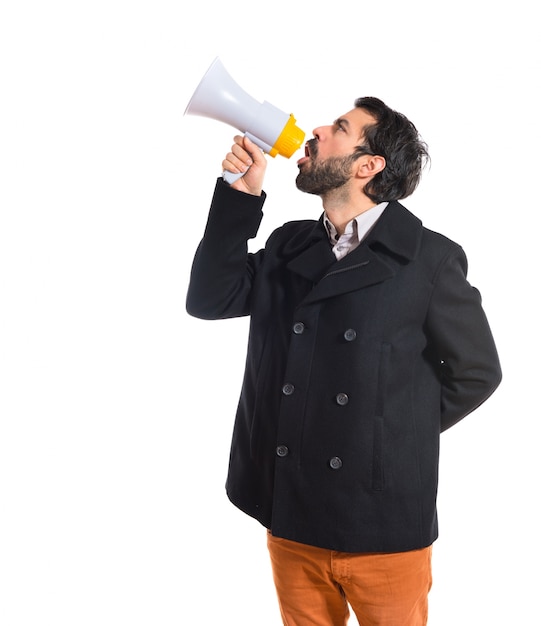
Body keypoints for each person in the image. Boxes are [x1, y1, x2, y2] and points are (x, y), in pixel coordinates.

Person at [186, 96, 502, 625]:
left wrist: (383, 433)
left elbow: (477, 373)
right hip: (291, 511)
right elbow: (209, 299)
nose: (315, 130)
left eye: (339, 127)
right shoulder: (290, 244)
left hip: (382, 526)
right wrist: (239, 199)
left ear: (368, 165)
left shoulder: (430, 259)